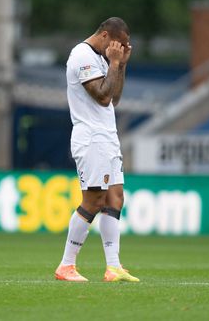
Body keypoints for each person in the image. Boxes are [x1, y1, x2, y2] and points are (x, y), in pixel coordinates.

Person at [55, 17, 139, 282]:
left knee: (115, 198)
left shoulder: (104, 58)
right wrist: (114, 62)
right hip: (91, 138)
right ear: (105, 36)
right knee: (93, 201)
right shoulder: (82, 55)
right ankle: (66, 266)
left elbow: (115, 97)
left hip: (107, 136)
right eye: (120, 44)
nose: (123, 48)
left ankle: (113, 267)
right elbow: (102, 97)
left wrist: (121, 65)